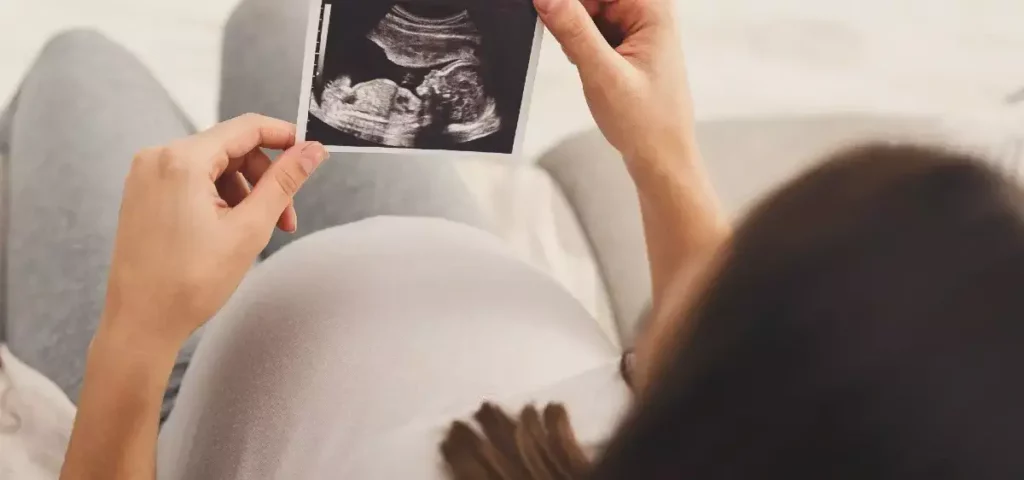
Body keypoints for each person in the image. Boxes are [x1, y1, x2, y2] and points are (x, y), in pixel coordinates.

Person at [0, 0, 1020, 478]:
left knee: (78, 63)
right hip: (433, 306)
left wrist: (134, 338)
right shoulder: (745, 437)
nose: (726, 260)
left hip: (183, 398)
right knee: (282, 25)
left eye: (755, 274)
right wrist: (659, 155)